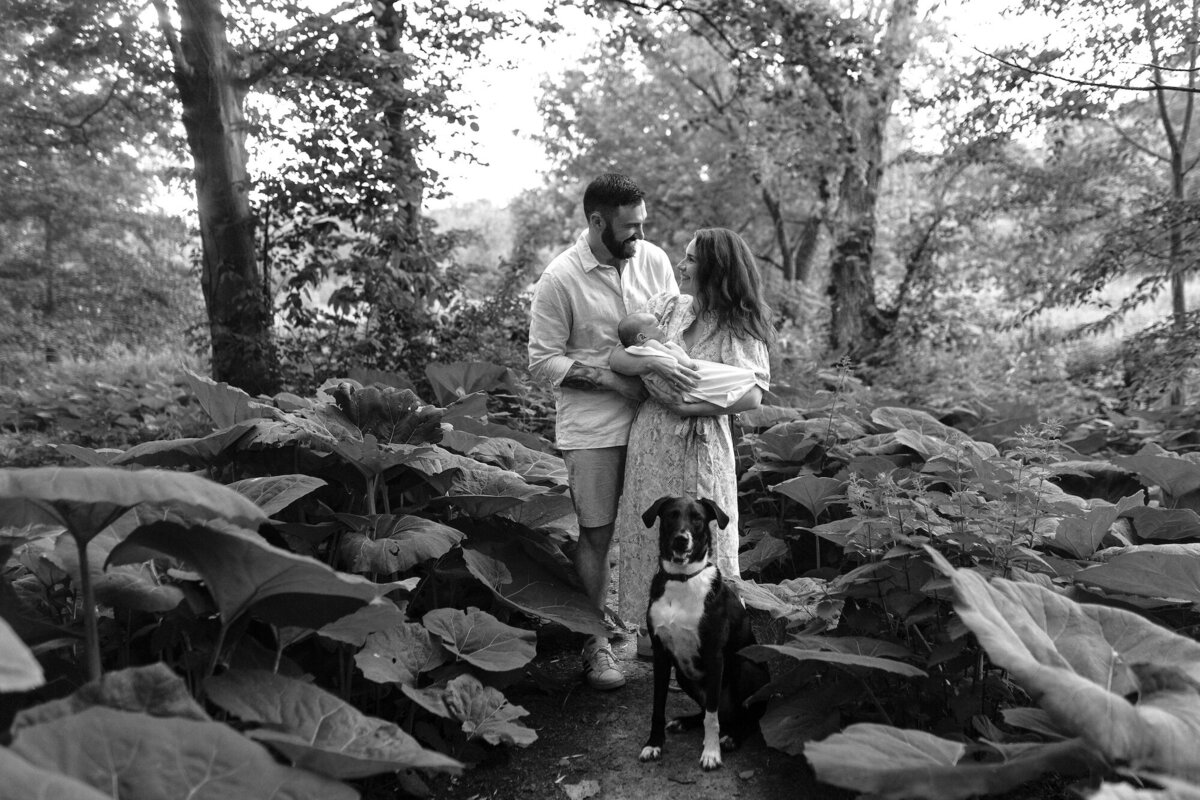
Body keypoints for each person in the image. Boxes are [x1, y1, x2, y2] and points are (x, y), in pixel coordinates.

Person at [527, 173, 696, 690]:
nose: (639, 236)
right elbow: (541, 362)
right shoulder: (560, 278)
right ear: (597, 222)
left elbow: (673, 329)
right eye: (629, 227)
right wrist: (614, 380)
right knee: (597, 533)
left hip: (658, 420)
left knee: (668, 529)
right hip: (593, 426)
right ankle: (595, 643)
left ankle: (659, 631)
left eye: (643, 224)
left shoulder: (655, 260)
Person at [609, 228, 772, 656]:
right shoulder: (667, 308)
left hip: (704, 441)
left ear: (715, 269)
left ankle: (702, 636)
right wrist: (659, 369)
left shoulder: (739, 326)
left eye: (691, 260)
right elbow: (618, 355)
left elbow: (753, 394)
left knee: (702, 535)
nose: (680, 267)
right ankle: (652, 632)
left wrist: (689, 407)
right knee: (653, 532)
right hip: (654, 441)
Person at [616, 311, 759, 408]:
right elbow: (685, 363)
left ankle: (742, 383)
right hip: (680, 384)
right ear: (642, 337)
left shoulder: (633, 350)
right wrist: (678, 352)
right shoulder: (651, 345)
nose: (663, 328)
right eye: (658, 326)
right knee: (717, 378)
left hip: (668, 391)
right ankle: (745, 380)